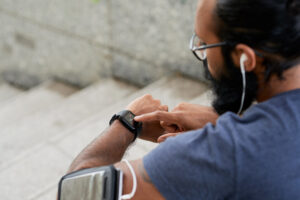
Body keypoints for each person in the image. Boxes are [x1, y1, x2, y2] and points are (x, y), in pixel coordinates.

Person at [66, 0, 300, 199]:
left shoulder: (223, 153)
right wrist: (227, 121)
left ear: (244, 58)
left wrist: (127, 122)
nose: (204, 55)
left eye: (206, 44)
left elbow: (73, 191)